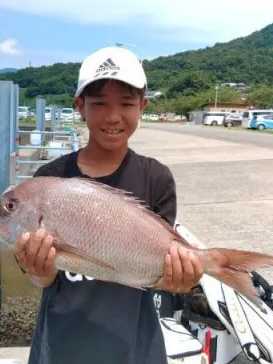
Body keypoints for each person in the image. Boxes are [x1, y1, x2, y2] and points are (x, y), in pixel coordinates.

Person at [14, 46, 203, 364]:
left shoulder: (156, 178)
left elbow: (157, 271)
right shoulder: (50, 178)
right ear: (80, 107)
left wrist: (179, 278)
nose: (113, 116)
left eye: (127, 104)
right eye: (99, 104)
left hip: (135, 347)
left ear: (142, 106)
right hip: (61, 346)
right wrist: (38, 272)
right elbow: (43, 277)